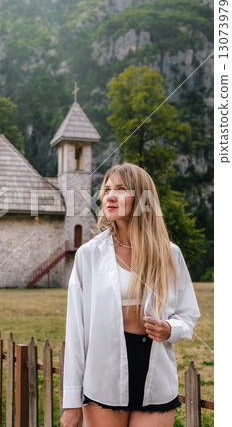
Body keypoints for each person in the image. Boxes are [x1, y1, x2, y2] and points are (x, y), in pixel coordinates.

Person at [60, 163, 200, 427]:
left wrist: (170, 329)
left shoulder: (170, 254)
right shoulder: (89, 255)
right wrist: (71, 402)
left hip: (155, 374)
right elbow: (76, 332)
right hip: (103, 376)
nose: (109, 196)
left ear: (142, 197)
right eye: (107, 189)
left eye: (121, 189)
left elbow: (188, 314)